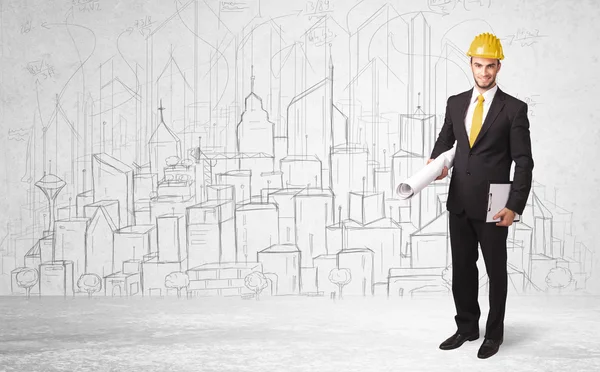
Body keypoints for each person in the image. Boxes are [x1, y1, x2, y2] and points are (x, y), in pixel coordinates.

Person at [428, 32, 534, 359]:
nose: (484, 72)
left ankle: (494, 334)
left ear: (498, 66)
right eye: (478, 65)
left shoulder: (514, 109)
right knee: (462, 268)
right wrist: (435, 163)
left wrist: (514, 205)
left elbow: (523, 162)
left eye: (490, 66)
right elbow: (446, 141)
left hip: (495, 201)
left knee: (495, 270)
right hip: (459, 198)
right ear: (470, 64)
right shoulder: (456, 102)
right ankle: (466, 327)